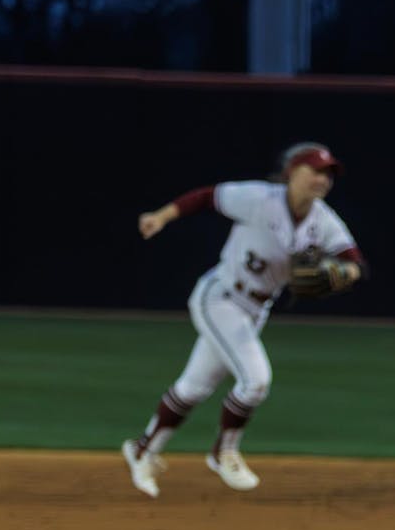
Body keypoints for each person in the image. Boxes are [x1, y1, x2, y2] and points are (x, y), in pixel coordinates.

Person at [121, 142, 366, 496]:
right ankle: (224, 452)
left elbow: (354, 260)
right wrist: (161, 216)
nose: (322, 179)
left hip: (256, 310)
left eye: (328, 174)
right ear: (291, 172)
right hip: (220, 297)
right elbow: (207, 197)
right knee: (256, 381)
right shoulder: (259, 199)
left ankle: (143, 450)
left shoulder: (323, 221)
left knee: (194, 387)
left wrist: (347, 274)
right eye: (314, 170)